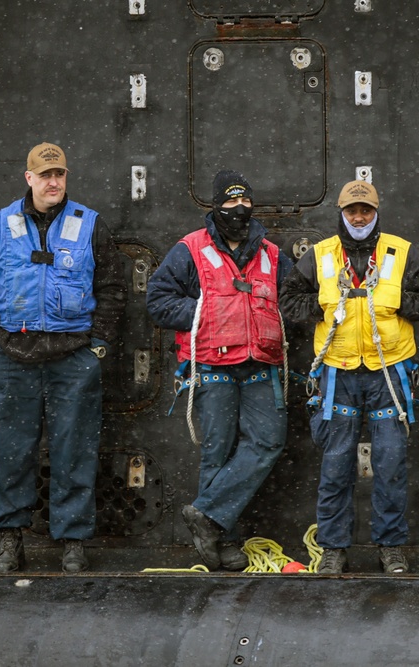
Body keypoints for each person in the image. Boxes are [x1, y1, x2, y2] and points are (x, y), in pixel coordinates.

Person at [0, 142, 126, 573]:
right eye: (45, 175)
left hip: (72, 357)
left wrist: (98, 347)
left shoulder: (89, 225)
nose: (54, 182)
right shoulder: (2, 225)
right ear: (29, 178)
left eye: (60, 174)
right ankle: (10, 539)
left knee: (74, 450)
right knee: (12, 452)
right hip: (12, 355)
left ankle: (72, 540)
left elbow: (113, 289)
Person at [279, 180, 419, 574]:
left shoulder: (400, 252)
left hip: (389, 372)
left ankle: (390, 547)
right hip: (339, 372)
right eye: (352, 211)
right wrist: (323, 309)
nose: (358, 217)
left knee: (390, 463)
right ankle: (334, 547)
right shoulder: (320, 255)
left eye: (365, 211)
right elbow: (287, 299)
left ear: (376, 213)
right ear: (340, 213)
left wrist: (393, 301)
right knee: (336, 464)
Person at [146, 170, 292, 571]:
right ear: (215, 207)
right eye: (230, 203)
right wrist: (206, 312)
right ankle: (221, 545)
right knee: (218, 452)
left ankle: (206, 514)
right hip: (211, 366)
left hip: (261, 365)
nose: (239, 209)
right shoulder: (188, 250)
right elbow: (158, 302)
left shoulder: (273, 254)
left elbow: (293, 300)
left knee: (268, 440)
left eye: (245, 202)